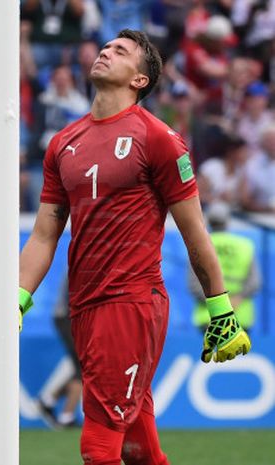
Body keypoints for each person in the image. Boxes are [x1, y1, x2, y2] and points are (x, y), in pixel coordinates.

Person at [18, 30, 251, 465]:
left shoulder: (159, 138)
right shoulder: (63, 143)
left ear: (139, 80)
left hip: (131, 302)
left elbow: (194, 229)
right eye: (105, 48)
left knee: (98, 449)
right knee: (139, 449)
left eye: (120, 52)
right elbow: (45, 233)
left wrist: (221, 309)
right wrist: (17, 298)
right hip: (83, 305)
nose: (106, 52)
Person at [189, 202, 261, 331]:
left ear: (208, 220)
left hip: (209, 316)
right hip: (240, 315)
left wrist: (220, 305)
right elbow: (255, 282)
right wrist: (236, 299)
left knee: (210, 351)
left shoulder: (199, 246)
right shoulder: (245, 246)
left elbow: (194, 285)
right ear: (228, 221)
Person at [38, 278, 82, 429]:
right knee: (83, 366)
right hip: (68, 316)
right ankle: (66, 415)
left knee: (83, 366)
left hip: (70, 315)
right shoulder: (85, 260)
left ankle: (49, 400)